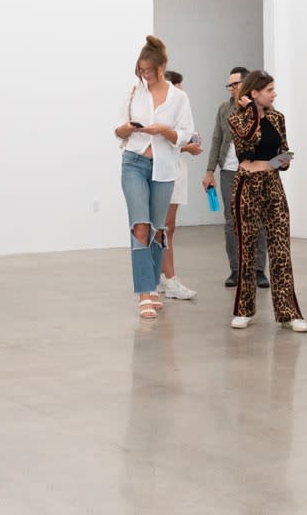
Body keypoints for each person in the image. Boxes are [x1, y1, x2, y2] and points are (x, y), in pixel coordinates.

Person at [114, 38, 195, 319]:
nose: (145, 75)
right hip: (134, 163)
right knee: (140, 227)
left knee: (159, 230)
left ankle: (153, 287)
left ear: (162, 67)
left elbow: (187, 135)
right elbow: (118, 132)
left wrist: (164, 131)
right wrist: (126, 128)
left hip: (164, 167)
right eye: (141, 70)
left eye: (149, 70)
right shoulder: (135, 92)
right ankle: (145, 292)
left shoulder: (179, 98)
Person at [225, 70, 307, 332]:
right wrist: (250, 110)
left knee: (281, 247)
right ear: (254, 93)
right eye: (269, 90)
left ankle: (288, 312)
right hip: (247, 184)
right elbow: (249, 139)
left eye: (274, 89)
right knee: (247, 248)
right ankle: (244, 310)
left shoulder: (277, 117)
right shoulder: (236, 119)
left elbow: (282, 147)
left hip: (272, 183)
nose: (274, 94)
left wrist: (284, 160)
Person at [204, 67, 267, 288]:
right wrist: (210, 170)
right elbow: (216, 139)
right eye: (229, 85)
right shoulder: (224, 109)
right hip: (229, 172)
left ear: (246, 84)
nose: (231, 89)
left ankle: (258, 270)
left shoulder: (261, 107)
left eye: (235, 84)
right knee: (231, 222)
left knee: (257, 220)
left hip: (255, 170)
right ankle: (236, 269)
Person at [156, 70, 201, 301]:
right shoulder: (162, 110)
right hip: (167, 173)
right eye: (178, 85)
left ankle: (163, 277)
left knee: (168, 228)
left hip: (177, 171)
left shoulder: (180, 108)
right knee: (164, 228)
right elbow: (162, 141)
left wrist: (188, 145)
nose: (182, 90)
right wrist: (187, 147)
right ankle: (169, 280)